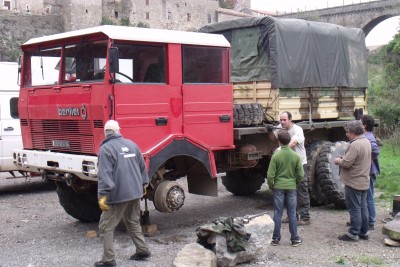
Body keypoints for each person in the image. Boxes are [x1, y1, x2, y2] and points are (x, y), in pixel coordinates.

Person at [95, 120, 151, 267]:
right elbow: (142, 166)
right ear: (119, 131)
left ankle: (108, 259)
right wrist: (144, 184)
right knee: (133, 222)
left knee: (106, 226)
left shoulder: (106, 149)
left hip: (118, 195)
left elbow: (105, 175)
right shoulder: (132, 145)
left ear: (106, 133)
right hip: (135, 192)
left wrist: (102, 195)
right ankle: (142, 250)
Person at [334, 120, 371, 242]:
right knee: (363, 208)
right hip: (364, 180)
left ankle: (353, 233)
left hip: (354, 182)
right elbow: (357, 160)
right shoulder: (366, 141)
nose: (346, 134)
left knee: (354, 208)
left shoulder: (355, 144)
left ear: (353, 132)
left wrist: (339, 160)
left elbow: (347, 163)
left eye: (347, 132)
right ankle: (364, 232)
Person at [267, 130, 304, 247]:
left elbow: (270, 175)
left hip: (278, 187)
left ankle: (275, 239)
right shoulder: (296, 156)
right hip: (292, 187)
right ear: (289, 141)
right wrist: (295, 183)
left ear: (279, 141)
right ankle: (295, 239)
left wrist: (272, 185)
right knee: (292, 213)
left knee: (278, 213)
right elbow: (301, 175)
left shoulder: (276, 155)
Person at [276, 111, 311, 225]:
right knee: (289, 191)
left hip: (299, 165)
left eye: (284, 120)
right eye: (280, 120)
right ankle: (292, 215)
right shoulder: (280, 128)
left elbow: (293, 142)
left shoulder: (297, 130)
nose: (282, 122)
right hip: (288, 166)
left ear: (290, 119)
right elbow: (273, 134)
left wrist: (280, 150)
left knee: (301, 190)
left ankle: (305, 217)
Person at [361, 115, 380, 230]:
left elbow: (376, 150)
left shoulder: (368, 137)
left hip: (369, 171)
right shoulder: (366, 136)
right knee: (366, 196)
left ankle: (371, 221)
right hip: (368, 171)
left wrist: (368, 159)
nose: (358, 124)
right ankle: (365, 220)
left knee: (369, 197)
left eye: (360, 122)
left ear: (365, 126)